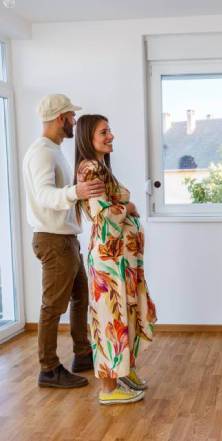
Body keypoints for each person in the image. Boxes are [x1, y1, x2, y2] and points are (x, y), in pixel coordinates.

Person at [23, 94, 105, 388]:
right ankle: (48, 369)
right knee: (52, 306)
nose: (74, 121)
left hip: (65, 239)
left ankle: (82, 355)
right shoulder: (42, 153)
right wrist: (76, 192)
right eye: (71, 116)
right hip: (53, 240)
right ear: (61, 118)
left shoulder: (53, 149)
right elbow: (45, 195)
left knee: (81, 297)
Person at [74, 114, 157, 405]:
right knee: (109, 317)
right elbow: (105, 215)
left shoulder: (101, 168)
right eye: (103, 132)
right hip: (109, 260)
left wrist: (124, 205)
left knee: (126, 313)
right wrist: (129, 205)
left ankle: (125, 371)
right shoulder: (89, 168)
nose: (111, 136)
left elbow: (110, 205)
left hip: (119, 258)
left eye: (110, 130)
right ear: (88, 137)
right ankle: (108, 389)